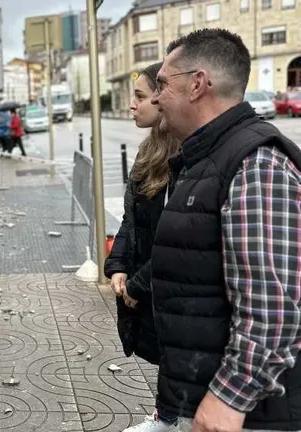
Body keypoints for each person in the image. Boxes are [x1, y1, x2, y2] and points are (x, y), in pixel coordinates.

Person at [149, 29, 301, 432]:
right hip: (202, 397)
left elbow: (271, 307)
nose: (154, 97)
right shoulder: (207, 157)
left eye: (163, 83)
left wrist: (229, 398)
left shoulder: (257, 165)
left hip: (249, 415)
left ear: (197, 84)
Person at [105, 62, 181, 432]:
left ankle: (168, 419)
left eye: (139, 96)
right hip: (152, 281)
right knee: (169, 353)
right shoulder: (150, 151)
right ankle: (165, 418)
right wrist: (118, 265)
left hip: (171, 283)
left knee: (181, 351)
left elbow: (179, 237)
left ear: (162, 96)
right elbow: (131, 220)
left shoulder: (187, 155)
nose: (132, 105)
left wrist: (138, 284)